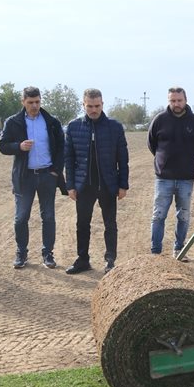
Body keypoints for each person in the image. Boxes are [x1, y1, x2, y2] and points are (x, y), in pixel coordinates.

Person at [0, 86, 65, 270]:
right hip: (24, 177)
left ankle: (48, 254)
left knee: (49, 217)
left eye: (37, 101)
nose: (34, 105)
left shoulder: (51, 121)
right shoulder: (13, 122)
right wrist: (18, 146)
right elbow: (2, 145)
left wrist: (56, 171)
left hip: (47, 175)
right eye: (30, 102)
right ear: (23, 102)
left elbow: (61, 147)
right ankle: (21, 253)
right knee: (21, 218)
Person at [64, 88, 129, 275]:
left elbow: (122, 158)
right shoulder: (74, 127)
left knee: (110, 224)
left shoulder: (114, 127)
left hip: (108, 184)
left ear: (102, 104)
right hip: (84, 185)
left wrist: (123, 184)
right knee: (82, 224)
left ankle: (110, 260)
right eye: (90, 106)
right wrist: (70, 185)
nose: (94, 110)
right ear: (83, 105)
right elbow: (68, 159)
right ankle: (82, 259)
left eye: (97, 106)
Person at [147, 86, 194, 259]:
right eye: (172, 100)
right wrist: (163, 162)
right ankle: (155, 252)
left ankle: (179, 250)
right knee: (158, 216)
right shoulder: (159, 120)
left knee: (184, 216)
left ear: (185, 100)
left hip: (186, 178)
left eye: (179, 100)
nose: (176, 104)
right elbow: (152, 144)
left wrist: (186, 161)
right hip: (163, 178)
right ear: (168, 101)